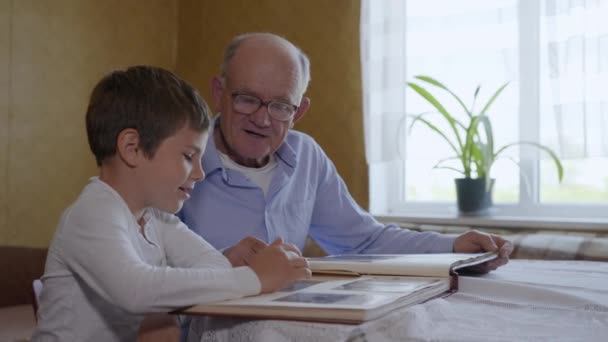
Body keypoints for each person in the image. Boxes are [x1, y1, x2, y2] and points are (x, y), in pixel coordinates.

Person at [179, 32, 512, 273]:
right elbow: (142, 271)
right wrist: (219, 266)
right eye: (247, 99)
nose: (263, 119)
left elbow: (363, 241)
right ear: (219, 92)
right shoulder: (177, 157)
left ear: (299, 111)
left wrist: (453, 246)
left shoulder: (306, 156)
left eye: (281, 106)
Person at [32, 66, 310, 342]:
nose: (200, 173)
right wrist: (255, 278)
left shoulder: (156, 219)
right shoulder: (92, 212)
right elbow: (136, 290)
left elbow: (215, 265)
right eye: (189, 156)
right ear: (132, 148)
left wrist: (233, 273)